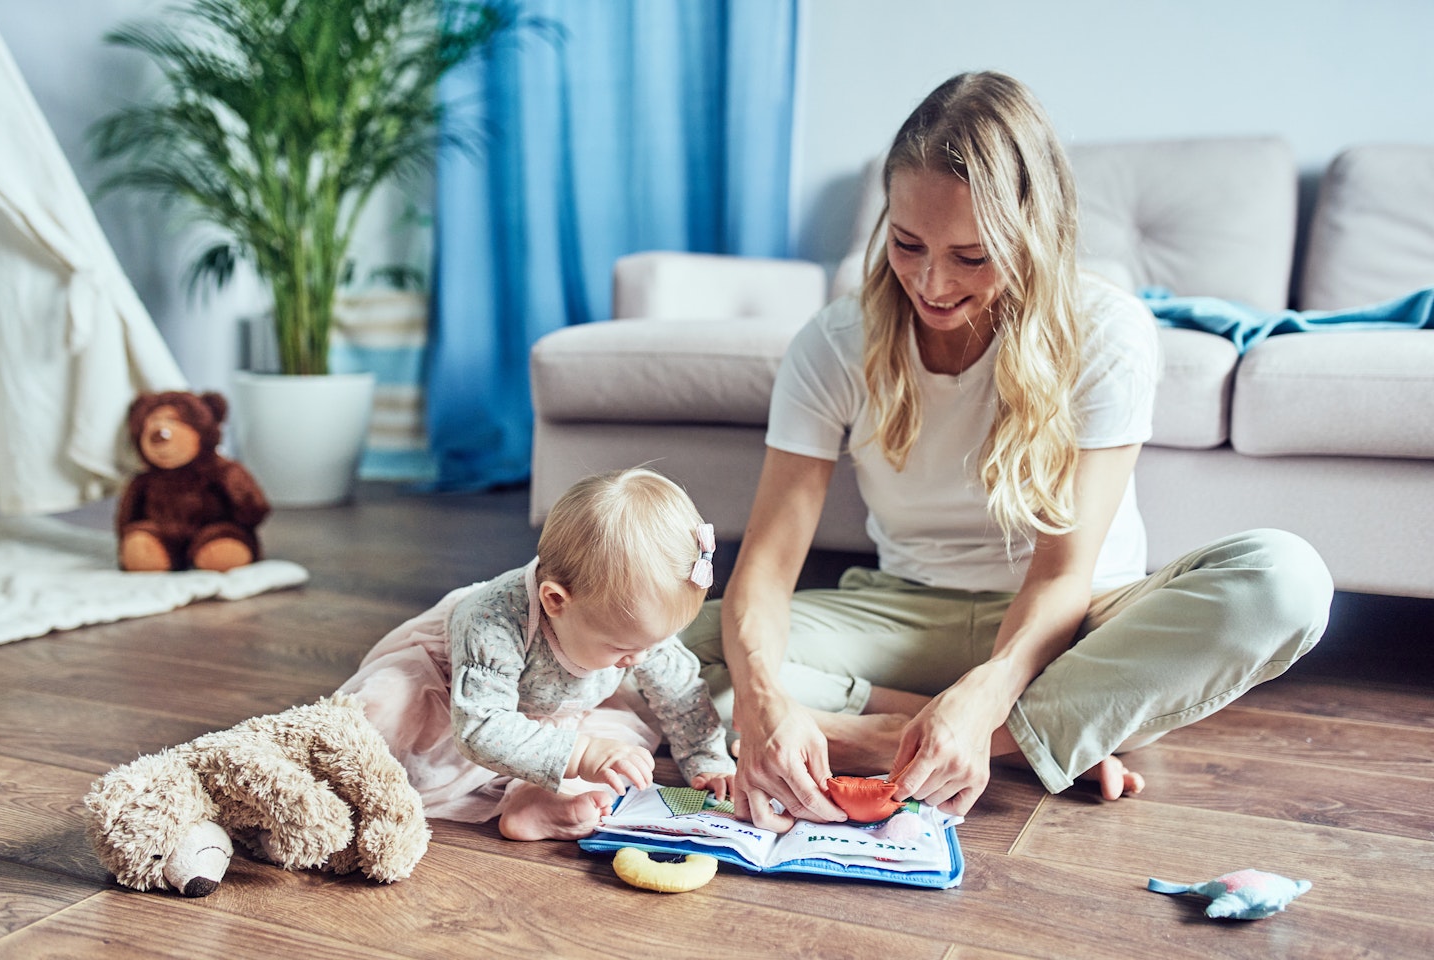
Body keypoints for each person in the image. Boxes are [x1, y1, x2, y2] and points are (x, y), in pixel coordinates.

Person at [680, 71, 1333, 832]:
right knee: (666, 646)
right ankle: (1020, 736)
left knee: (1284, 582)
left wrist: (988, 691)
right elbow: (766, 561)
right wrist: (762, 705)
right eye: (907, 243)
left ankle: (909, 735)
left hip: (1074, 625)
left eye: (972, 256)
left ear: (1034, 238)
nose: (931, 281)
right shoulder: (833, 344)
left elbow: (1061, 576)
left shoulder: (1107, 333)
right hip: (908, 613)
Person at [339, 467, 735, 841]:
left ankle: (533, 800)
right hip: (456, 707)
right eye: (624, 647)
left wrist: (708, 758)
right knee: (379, 719)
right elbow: (480, 729)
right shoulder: (491, 621)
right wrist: (581, 753)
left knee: (619, 753)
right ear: (555, 601)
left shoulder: (632, 633)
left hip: (556, 713)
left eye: (655, 642)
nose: (641, 658)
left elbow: (681, 695)